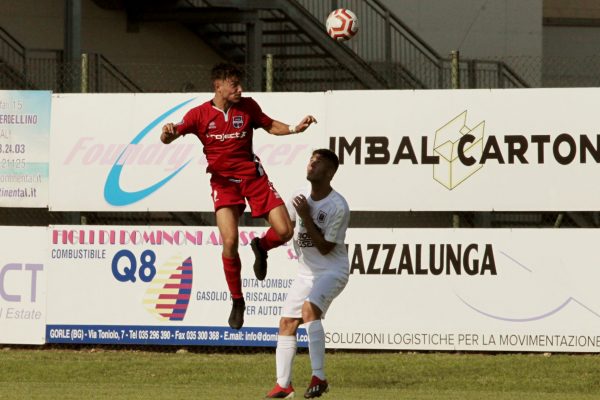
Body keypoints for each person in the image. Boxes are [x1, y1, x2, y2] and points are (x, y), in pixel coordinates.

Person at [161, 63, 317, 330]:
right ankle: (237, 300)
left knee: (284, 231)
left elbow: (270, 126)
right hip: (223, 185)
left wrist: (295, 128)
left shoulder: (248, 107)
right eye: (234, 85)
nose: (240, 89)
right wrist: (167, 133)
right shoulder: (199, 115)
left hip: (253, 178)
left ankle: (261, 247)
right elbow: (169, 136)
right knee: (230, 241)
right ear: (218, 86)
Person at [265, 149, 350, 399]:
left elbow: (325, 248)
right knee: (287, 323)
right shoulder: (299, 194)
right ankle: (283, 386)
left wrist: (305, 217)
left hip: (332, 270)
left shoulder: (338, 206)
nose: (312, 164)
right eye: (311, 159)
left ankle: (319, 377)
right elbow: (286, 228)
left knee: (309, 310)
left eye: (318, 161)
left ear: (330, 172)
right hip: (306, 272)